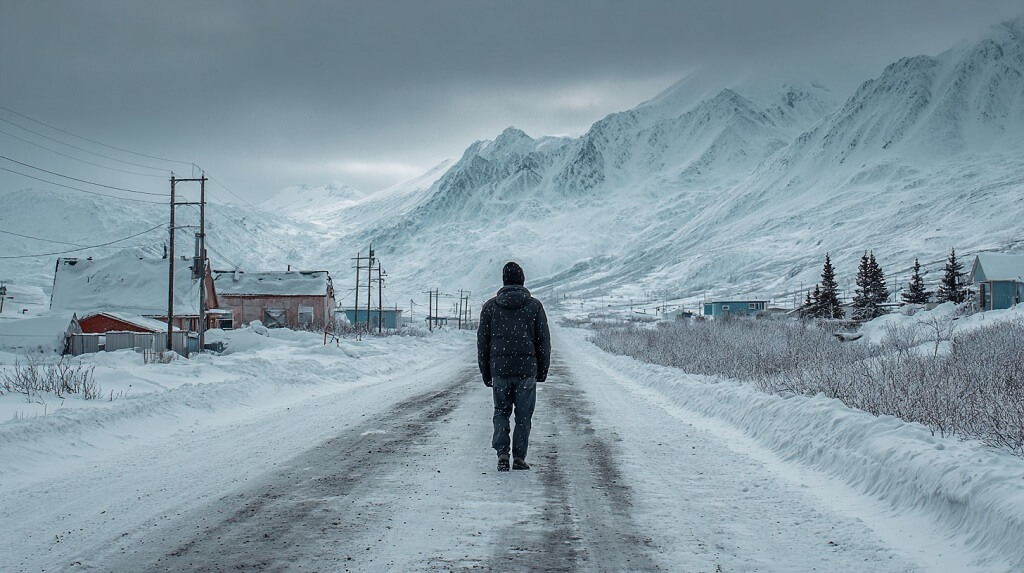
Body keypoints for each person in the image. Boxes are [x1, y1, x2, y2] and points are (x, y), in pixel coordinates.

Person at [477, 261, 551, 472]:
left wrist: (486, 371)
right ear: (522, 280)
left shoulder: (491, 307)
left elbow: (482, 343)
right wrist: (542, 370)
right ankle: (519, 457)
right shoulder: (534, 306)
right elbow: (543, 341)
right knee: (523, 415)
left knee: (501, 411)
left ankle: (502, 454)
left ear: (504, 281)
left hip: (500, 370)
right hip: (527, 370)